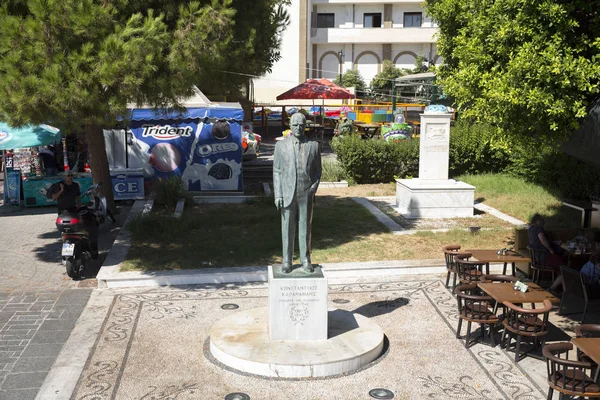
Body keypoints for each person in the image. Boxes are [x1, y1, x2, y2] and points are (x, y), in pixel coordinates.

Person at [273, 112, 322, 273]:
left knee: (305, 228)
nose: (298, 128)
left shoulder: (313, 146)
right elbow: (277, 171)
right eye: (295, 125)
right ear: (290, 126)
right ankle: (287, 260)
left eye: (301, 125)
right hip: (287, 192)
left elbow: (317, 171)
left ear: (305, 126)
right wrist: (278, 194)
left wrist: (313, 189)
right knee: (287, 228)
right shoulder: (281, 146)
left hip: (305, 193)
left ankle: (305, 260)